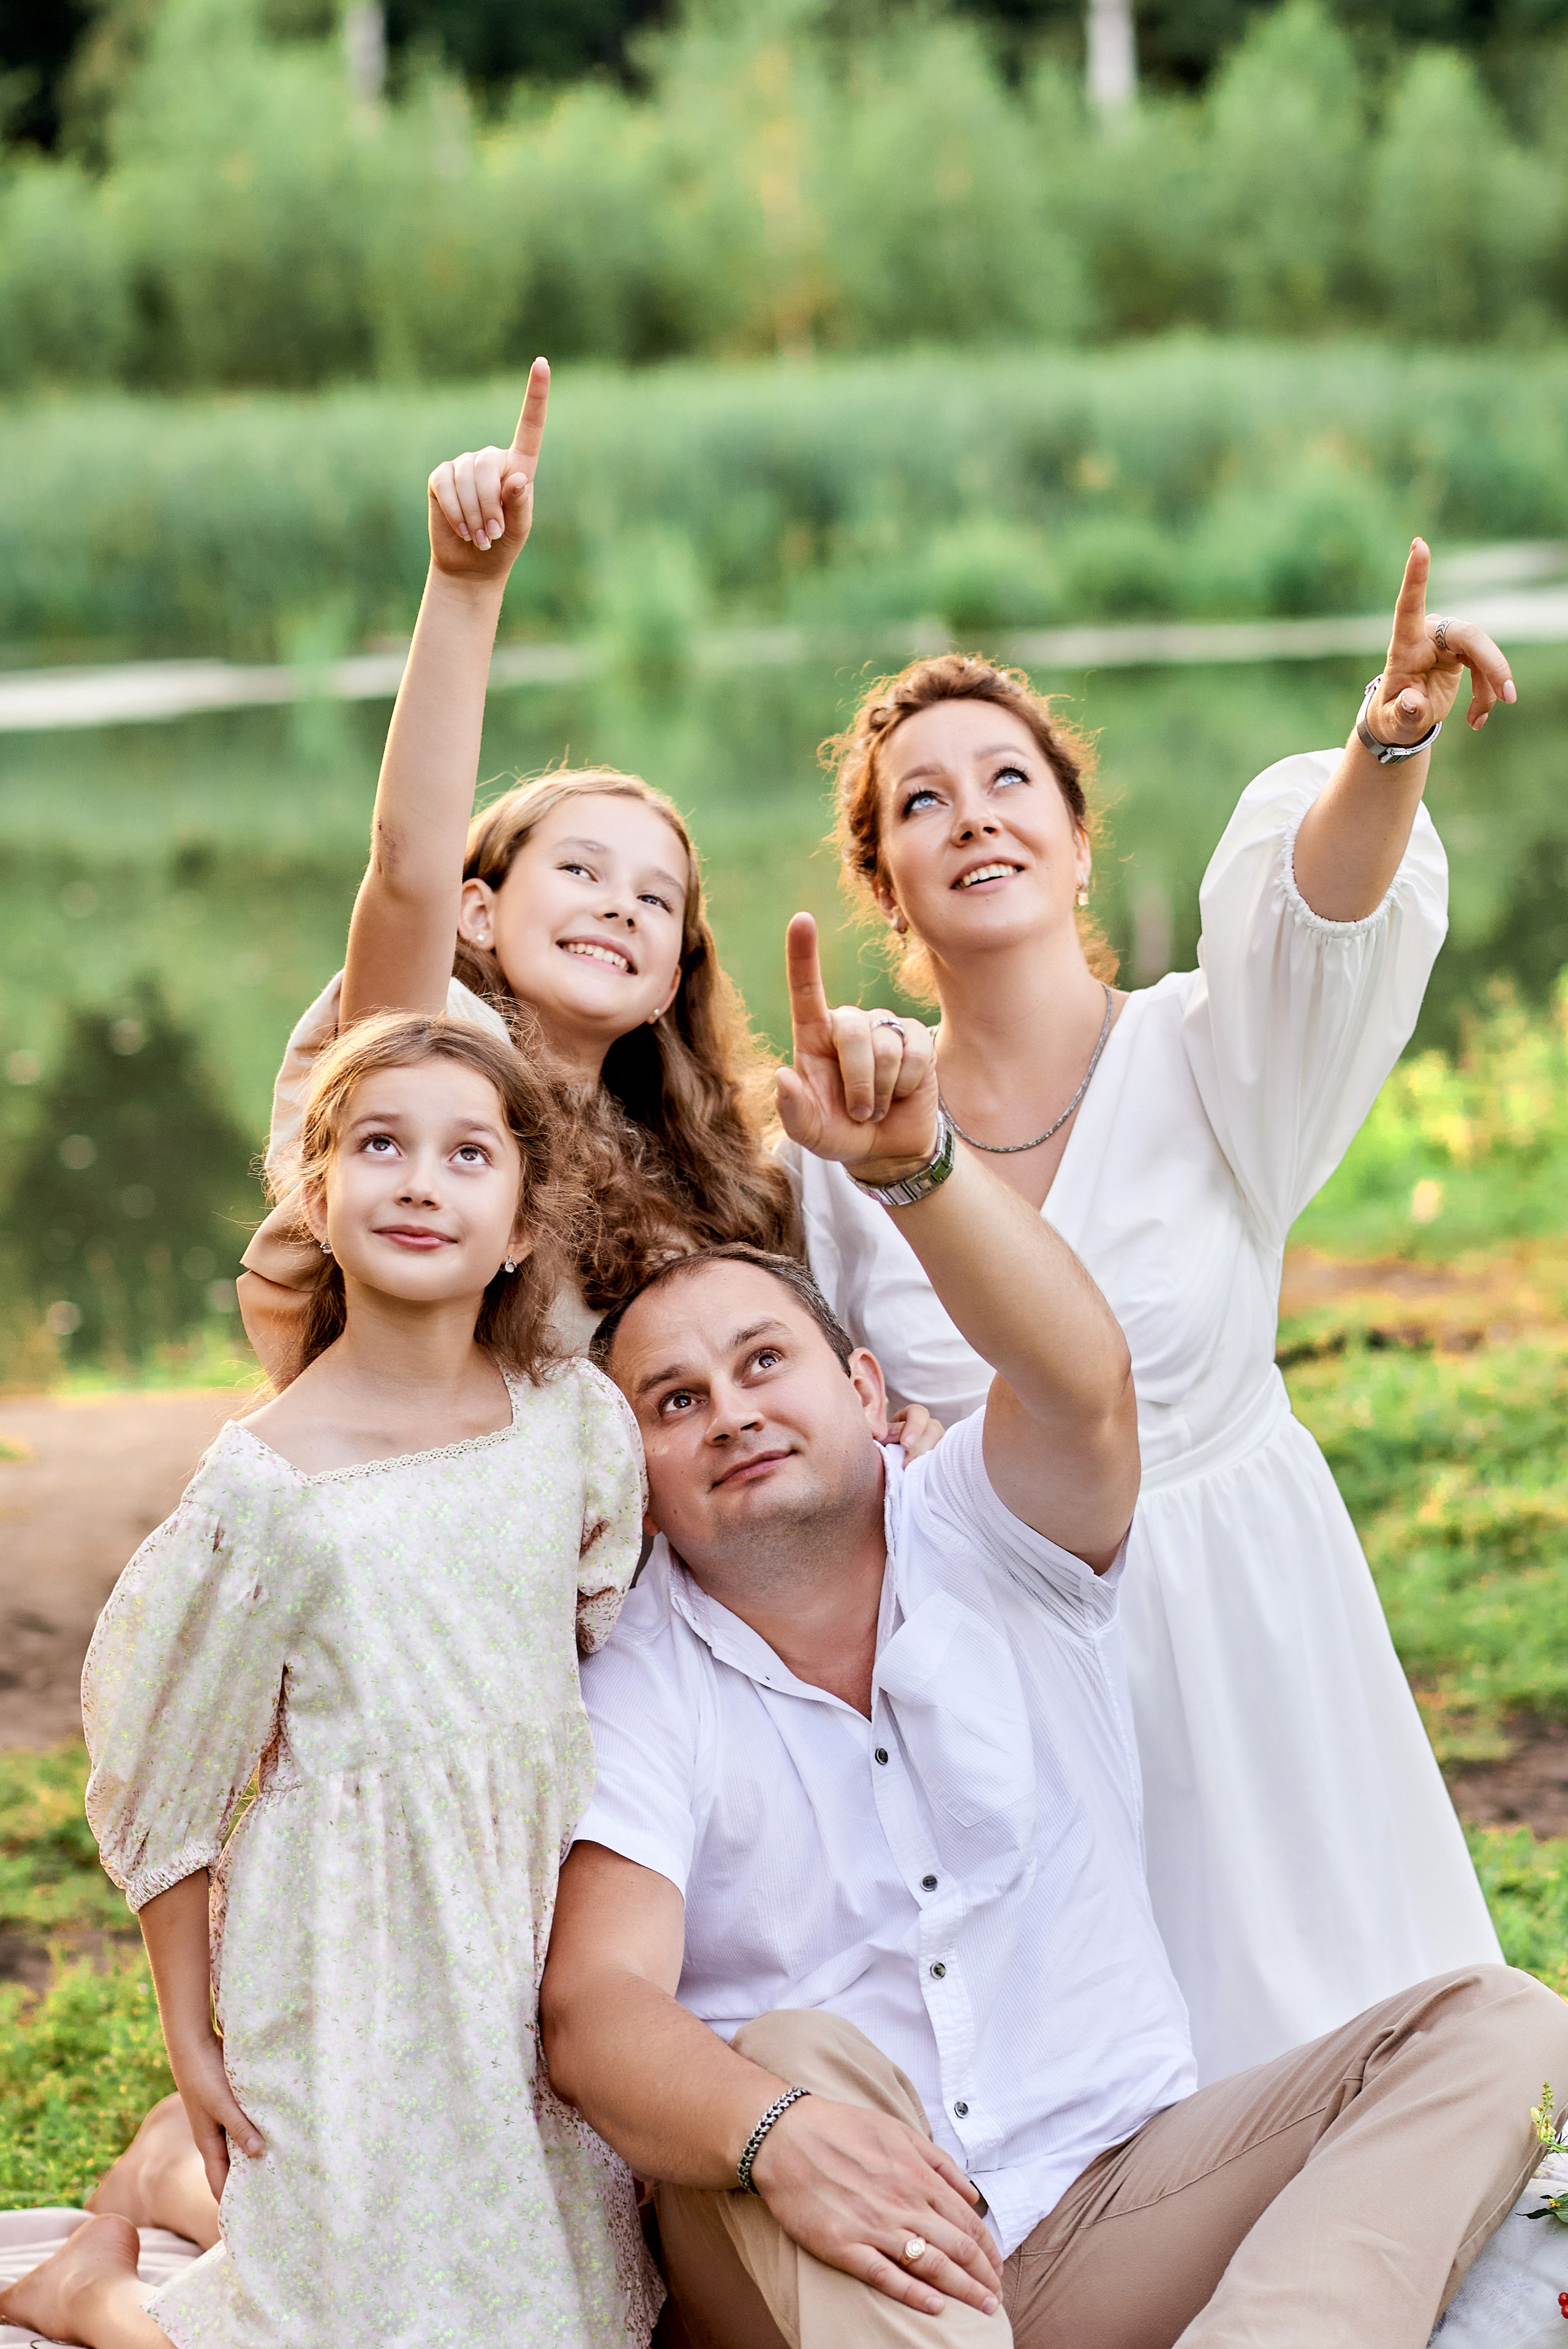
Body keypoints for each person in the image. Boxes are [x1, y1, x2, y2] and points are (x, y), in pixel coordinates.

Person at [538, 918, 1568, 2349]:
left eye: (762, 1362)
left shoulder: (988, 1532)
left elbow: (1082, 1384)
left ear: (865, 1383)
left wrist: (914, 1166)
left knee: (1493, 2024)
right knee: (791, 2051)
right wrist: (769, 2129)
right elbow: (594, 2009)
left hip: (1106, 2206)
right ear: (634, 1470)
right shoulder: (646, 1669)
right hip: (839, 2228)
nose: (731, 1412)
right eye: (673, 1402)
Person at [786, 543, 1513, 2081]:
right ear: (886, 886)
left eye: (1005, 780)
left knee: (1333, 2045)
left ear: (1066, 835)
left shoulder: (1206, 1050)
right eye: (920, 801)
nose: (970, 812)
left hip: (1243, 1613)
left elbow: (1323, 909)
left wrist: (1384, 741)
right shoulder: (841, 1145)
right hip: (1003, 1664)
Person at [0, 1015, 660, 2349]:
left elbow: (609, 1659)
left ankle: (166, 2216)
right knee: (343, 2314)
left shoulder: (571, 1424)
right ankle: (103, 2297)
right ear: (317, 1193)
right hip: (350, 1947)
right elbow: (166, 1787)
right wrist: (192, 2038)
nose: (420, 1180)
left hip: (529, 1913)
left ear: (525, 1222)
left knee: (546, 2299)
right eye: (380, 1145)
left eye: (467, 1153)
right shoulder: (269, 1490)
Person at [238, 359, 794, 1378]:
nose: (620, 905)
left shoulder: (705, 1171)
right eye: (581, 870)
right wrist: (463, 584)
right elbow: (406, 869)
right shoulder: (429, 1059)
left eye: (655, 897)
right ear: (479, 914)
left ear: (673, 977)